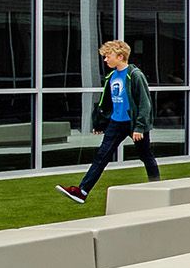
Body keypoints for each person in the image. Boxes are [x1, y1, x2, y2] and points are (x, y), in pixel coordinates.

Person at [56, 39, 158, 204]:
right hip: (116, 123)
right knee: (101, 156)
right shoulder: (111, 76)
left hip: (133, 123)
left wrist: (139, 127)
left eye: (108, 56)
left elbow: (144, 104)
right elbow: (106, 103)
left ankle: (157, 187)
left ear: (120, 56)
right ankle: (82, 191)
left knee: (146, 155)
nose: (105, 60)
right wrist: (100, 123)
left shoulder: (135, 75)